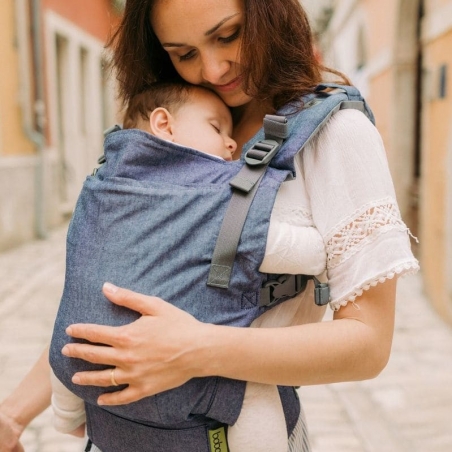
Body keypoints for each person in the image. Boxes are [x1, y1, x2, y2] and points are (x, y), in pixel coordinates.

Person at [0, 1, 419, 451]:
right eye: (184, 54)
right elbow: (111, 294)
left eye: (228, 35)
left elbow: (369, 344)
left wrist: (195, 349)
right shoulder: (175, 123)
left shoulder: (336, 135)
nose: (214, 69)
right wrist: (12, 415)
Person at [49, 80, 327, 451]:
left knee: (72, 333)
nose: (232, 145)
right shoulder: (217, 199)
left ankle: (65, 416)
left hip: (83, 369)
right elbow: (307, 253)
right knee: (254, 385)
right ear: (164, 124)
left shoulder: (103, 186)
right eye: (216, 127)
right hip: (187, 387)